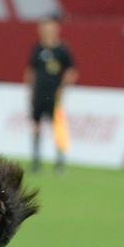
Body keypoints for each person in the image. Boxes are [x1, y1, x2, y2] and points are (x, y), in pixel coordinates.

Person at [24, 17, 77, 173]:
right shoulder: (38, 49)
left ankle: (59, 162)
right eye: (44, 28)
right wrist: (30, 90)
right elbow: (31, 71)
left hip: (54, 94)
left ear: (56, 30)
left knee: (58, 127)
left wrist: (63, 87)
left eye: (49, 28)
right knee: (36, 125)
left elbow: (72, 70)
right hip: (39, 93)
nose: (46, 31)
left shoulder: (62, 50)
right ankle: (36, 161)